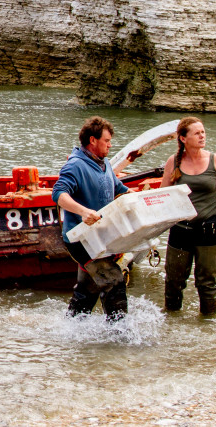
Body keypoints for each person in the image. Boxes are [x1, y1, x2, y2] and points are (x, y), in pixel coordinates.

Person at [160, 116, 216, 317]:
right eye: (197, 133)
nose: (202, 136)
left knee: (207, 281)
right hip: (181, 229)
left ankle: (208, 326)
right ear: (183, 138)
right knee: (174, 281)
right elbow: (160, 197)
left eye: (203, 132)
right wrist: (150, 229)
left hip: (209, 229)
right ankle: (171, 324)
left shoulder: (215, 161)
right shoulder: (173, 162)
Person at [51, 116, 130, 320]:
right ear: (92, 141)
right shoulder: (75, 165)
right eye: (106, 141)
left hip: (101, 236)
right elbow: (59, 193)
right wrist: (83, 211)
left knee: (89, 289)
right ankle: (121, 336)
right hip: (81, 239)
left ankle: (72, 327)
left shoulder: (105, 164)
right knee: (113, 280)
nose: (110, 145)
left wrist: (140, 198)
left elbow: (120, 190)